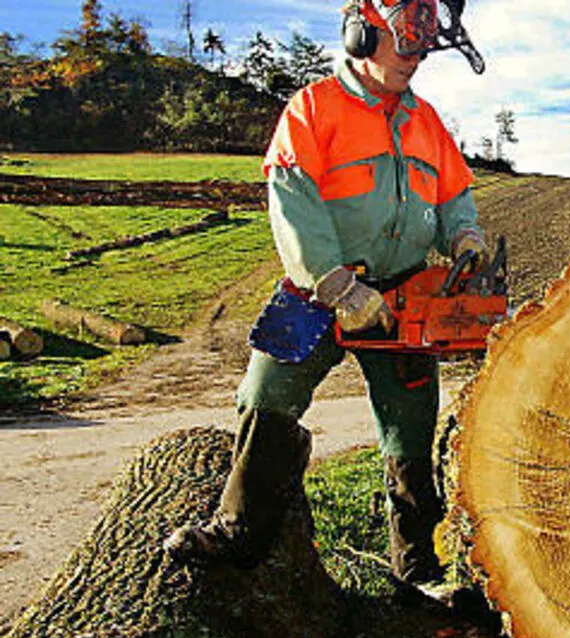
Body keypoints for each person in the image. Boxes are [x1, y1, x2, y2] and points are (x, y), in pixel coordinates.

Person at [164, 0, 487, 597]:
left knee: (411, 426)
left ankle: (417, 568)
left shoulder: (426, 122)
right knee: (267, 393)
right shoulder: (314, 108)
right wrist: (335, 284)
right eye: (403, 43)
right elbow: (293, 203)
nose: (414, 58)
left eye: (422, 47)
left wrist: (465, 236)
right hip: (318, 290)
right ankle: (238, 532)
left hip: (403, 293)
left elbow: (453, 198)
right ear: (360, 34)